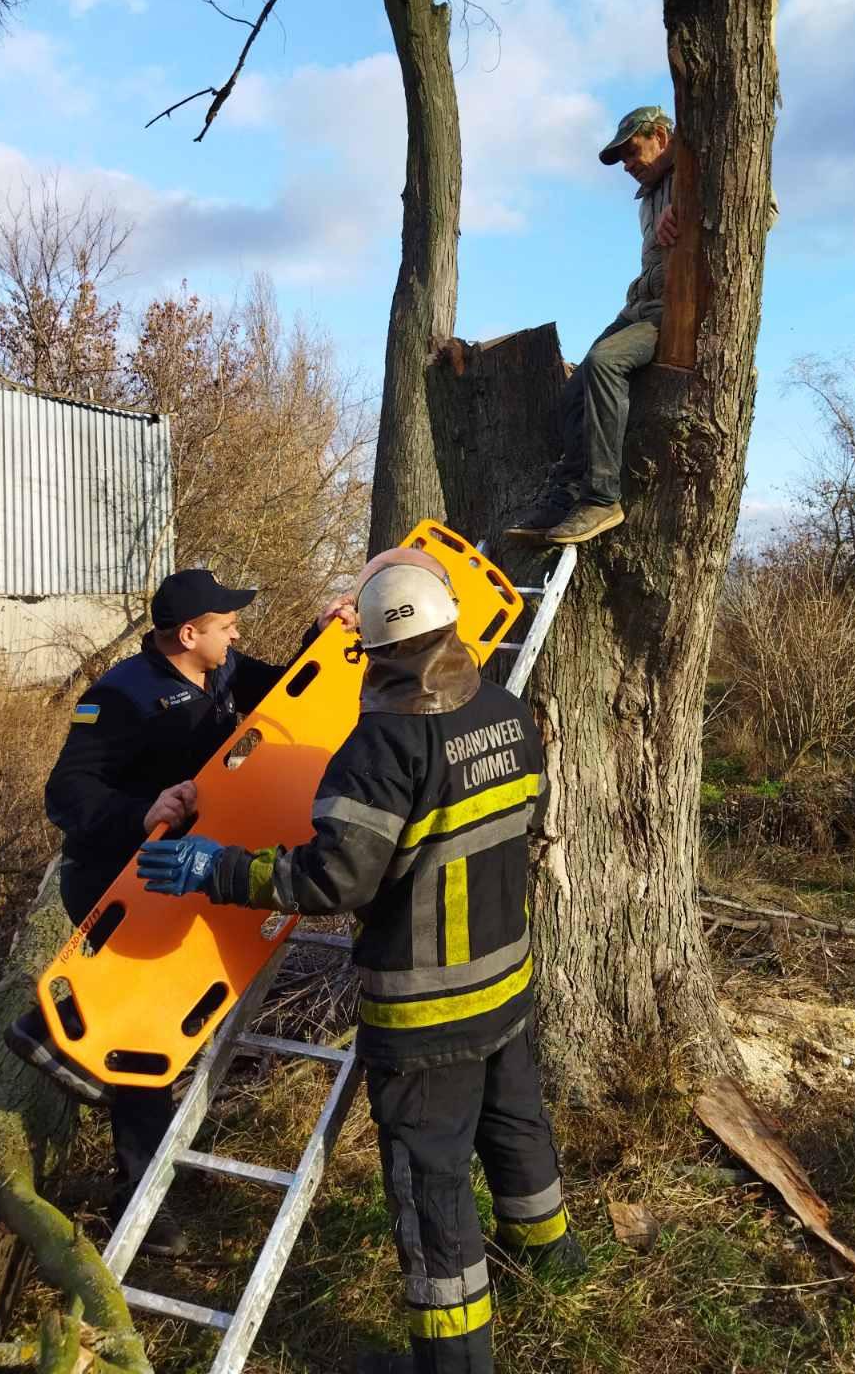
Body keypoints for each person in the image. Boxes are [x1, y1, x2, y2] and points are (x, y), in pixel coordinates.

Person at [137, 548, 583, 1374]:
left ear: (374, 651)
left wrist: (220, 870)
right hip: (506, 981)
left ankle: (452, 1363)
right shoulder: (506, 711)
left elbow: (335, 877)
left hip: (425, 1012)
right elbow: (521, 813)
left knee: (433, 1184)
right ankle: (553, 1258)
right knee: (516, 1121)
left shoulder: (381, 747)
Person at [6, 568, 346, 1257]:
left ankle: (59, 1048)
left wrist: (326, 635)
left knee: (163, 1020)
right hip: (114, 880)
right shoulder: (121, 697)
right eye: (227, 625)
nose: (238, 632)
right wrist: (141, 812)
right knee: (141, 1036)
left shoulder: (222, 672)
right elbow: (67, 793)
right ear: (188, 634)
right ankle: (140, 1202)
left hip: (180, 876)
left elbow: (285, 694)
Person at [508, 104, 778, 545]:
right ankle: (568, 494)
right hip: (639, 305)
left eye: (634, 152)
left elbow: (760, 211)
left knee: (604, 362)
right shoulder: (650, 195)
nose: (629, 166)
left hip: (680, 312)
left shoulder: (702, 165)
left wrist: (694, 207)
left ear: (661, 136)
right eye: (623, 161)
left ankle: (602, 499)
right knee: (573, 390)